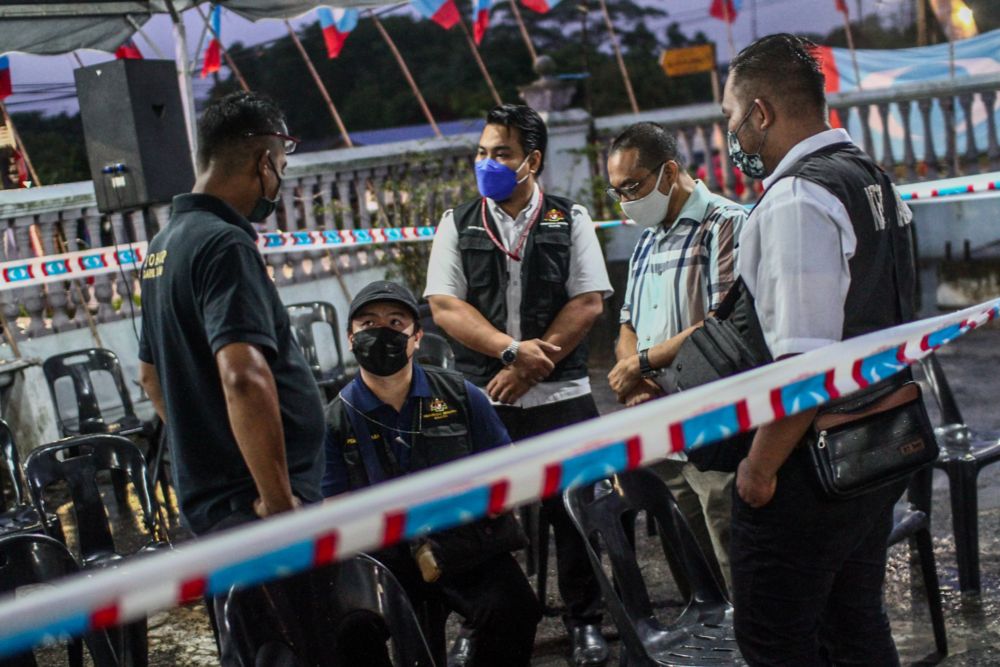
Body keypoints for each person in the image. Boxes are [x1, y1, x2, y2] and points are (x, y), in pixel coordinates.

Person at [721, 34, 916, 665]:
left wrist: (758, 470)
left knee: (778, 642)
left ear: (761, 112)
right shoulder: (870, 178)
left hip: (814, 467)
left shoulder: (799, 198)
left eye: (730, 118)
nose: (731, 134)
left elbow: (806, 365)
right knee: (854, 627)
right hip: (878, 446)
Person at [137, 91, 325, 662]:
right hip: (258, 509)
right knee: (294, 647)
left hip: (218, 505)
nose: (279, 183)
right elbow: (244, 376)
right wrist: (276, 499)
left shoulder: (164, 246)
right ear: (262, 161)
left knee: (252, 646)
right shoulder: (224, 243)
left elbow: (150, 377)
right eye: (281, 169)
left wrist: (208, 438)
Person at [424, 103, 613, 666]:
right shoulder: (457, 223)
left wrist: (532, 365)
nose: (487, 163)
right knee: (474, 522)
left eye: (500, 153)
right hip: (483, 399)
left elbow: (588, 302)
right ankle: (481, 620)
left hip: (562, 396)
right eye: (482, 153)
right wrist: (507, 352)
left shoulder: (567, 218)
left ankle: (585, 622)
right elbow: (444, 307)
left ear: (530, 160)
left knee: (576, 513)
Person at [323, 280, 541, 667]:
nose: (382, 333)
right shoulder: (335, 419)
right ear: (350, 337)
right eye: (369, 324)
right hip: (382, 553)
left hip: (464, 542)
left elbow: (506, 469)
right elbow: (334, 508)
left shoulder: (459, 394)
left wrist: (494, 497)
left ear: (417, 336)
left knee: (515, 607)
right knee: (345, 630)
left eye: (395, 323)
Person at [605, 122, 745, 594]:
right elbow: (626, 324)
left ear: (669, 171)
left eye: (632, 186)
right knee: (693, 571)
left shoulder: (726, 224)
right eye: (617, 191)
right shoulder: (648, 241)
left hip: (714, 429)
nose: (625, 200)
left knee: (736, 562)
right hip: (663, 431)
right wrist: (638, 378)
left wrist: (641, 363)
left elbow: (721, 323)